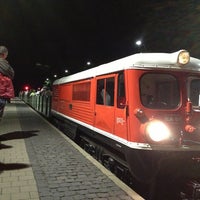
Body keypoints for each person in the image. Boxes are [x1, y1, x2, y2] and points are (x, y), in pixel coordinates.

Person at [0, 46, 15, 119]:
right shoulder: (4, 64)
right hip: (2, 93)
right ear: (3, 54)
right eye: (6, 55)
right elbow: (12, 74)